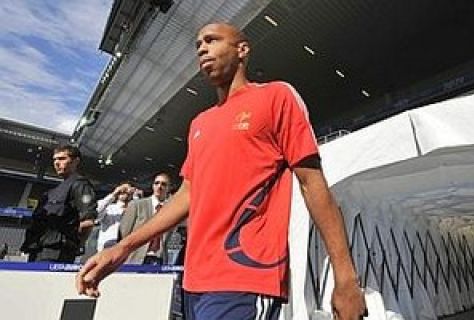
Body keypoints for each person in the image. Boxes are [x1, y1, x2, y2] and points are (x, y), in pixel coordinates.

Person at [76, 23, 366, 319]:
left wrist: (345, 278)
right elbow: (187, 196)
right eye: (198, 43)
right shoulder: (199, 123)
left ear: (242, 50)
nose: (202, 47)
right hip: (194, 281)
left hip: (246, 276)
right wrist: (122, 249)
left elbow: (312, 184)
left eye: (212, 40)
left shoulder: (276, 96)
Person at [21, 145, 96, 263]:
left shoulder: (80, 184)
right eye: (55, 159)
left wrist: (76, 244)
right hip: (36, 252)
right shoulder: (50, 193)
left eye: (62, 159)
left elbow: (87, 223)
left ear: (75, 161)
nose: (56, 163)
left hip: (57, 253)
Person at [118, 172, 171, 264]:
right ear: (152, 186)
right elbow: (124, 232)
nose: (159, 186)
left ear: (168, 188)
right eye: (156, 183)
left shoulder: (170, 209)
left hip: (160, 258)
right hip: (136, 257)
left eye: (163, 184)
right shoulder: (137, 205)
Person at [95, 182, 134, 252]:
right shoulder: (109, 208)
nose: (125, 193)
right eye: (122, 191)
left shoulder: (135, 209)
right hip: (106, 248)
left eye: (127, 191)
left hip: (126, 249)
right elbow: (96, 213)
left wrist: (137, 197)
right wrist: (114, 193)